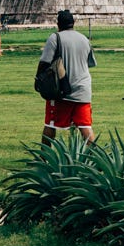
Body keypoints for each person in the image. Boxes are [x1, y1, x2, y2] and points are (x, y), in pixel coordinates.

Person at [37, 9, 97, 145]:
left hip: (62, 91)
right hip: (83, 90)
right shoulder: (84, 39)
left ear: (58, 24)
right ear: (73, 23)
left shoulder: (55, 38)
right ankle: (97, 160)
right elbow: (89, 63)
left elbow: (44, 62)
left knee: (51, 124)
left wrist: (38, 80)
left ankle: (44, 159)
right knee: (85, 127)